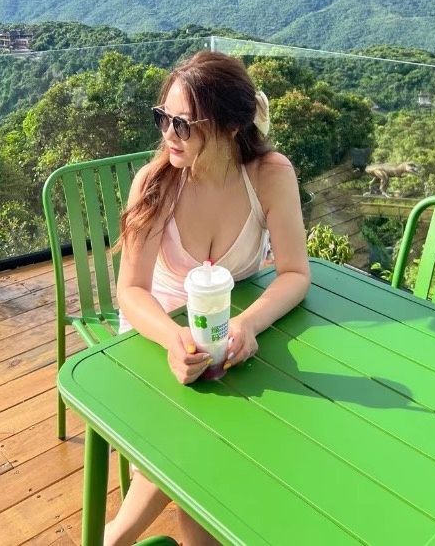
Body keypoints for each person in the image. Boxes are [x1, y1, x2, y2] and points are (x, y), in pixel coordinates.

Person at [104, 50, 311, 546]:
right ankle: (114, 538)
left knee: (210, 455)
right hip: (157, 331)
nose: (168, 135)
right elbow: (130, 291)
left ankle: (113, 537)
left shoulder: (269, 175)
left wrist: (249, 323)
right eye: (164, 119)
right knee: (195, 448)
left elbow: (295, 273)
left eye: (183, 125)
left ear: (231, 126)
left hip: (232, 338)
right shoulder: (157, 183)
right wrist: (173, 339)